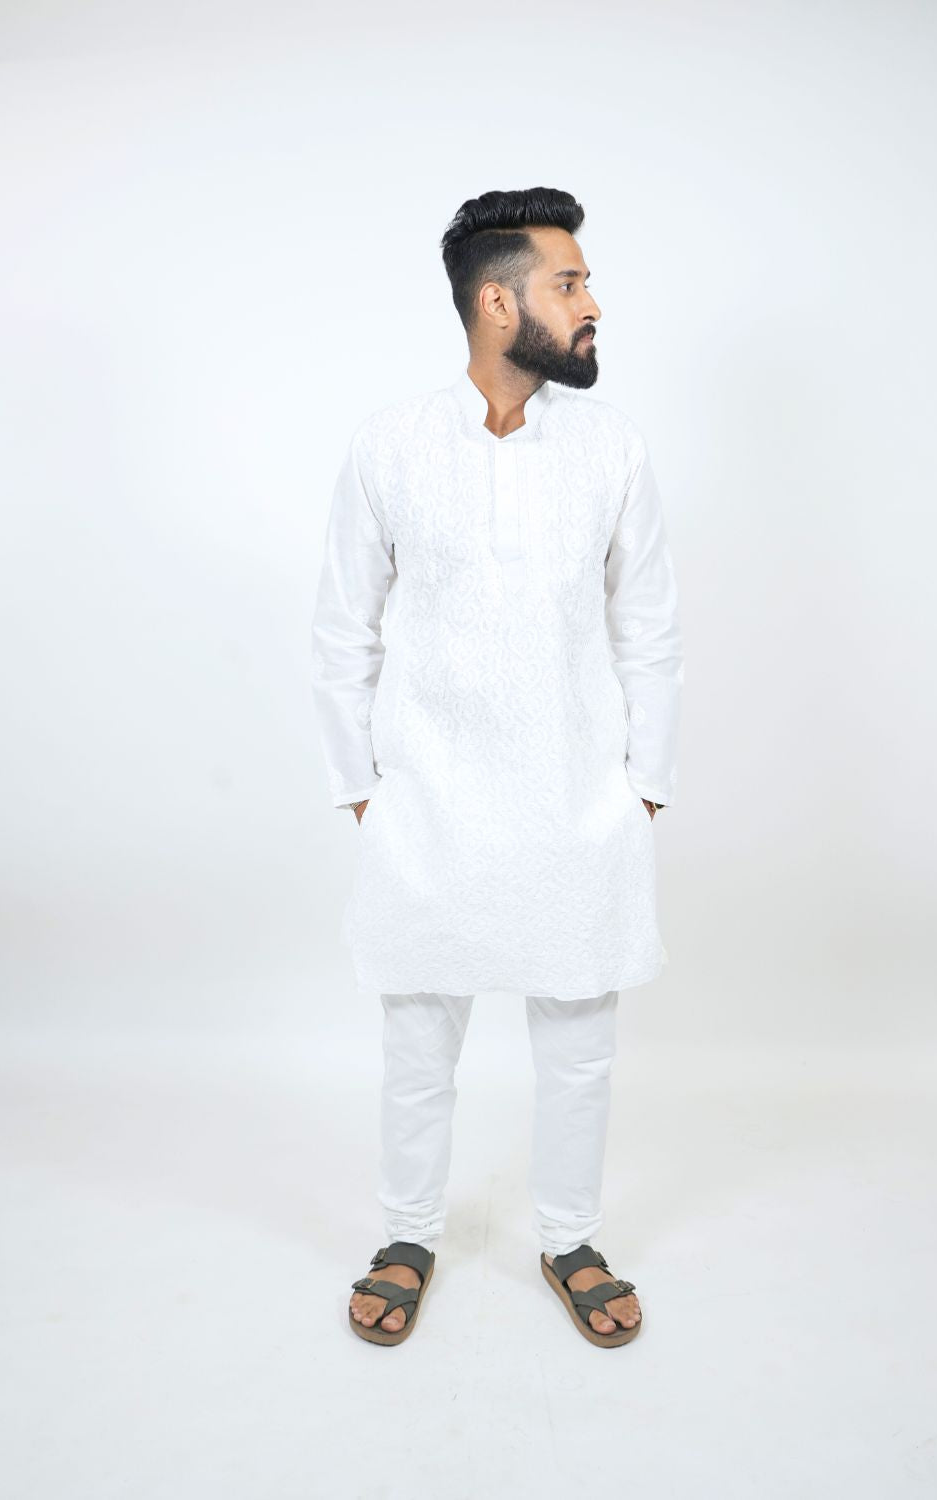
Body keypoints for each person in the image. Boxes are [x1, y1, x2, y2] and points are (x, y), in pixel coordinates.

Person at [311, 186, 683, 1345]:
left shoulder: (612, 449)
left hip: (577, 803)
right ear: (496, 302)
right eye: (568, 283)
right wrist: (364, 791)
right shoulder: (391, 446)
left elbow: (650, 629)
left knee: (578, 1050)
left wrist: (641, 786)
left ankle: (570, 1239)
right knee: (419, 1047)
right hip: (429, 804)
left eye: (585, 282)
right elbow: (342, 630)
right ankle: (406, 1236)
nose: (592, 304)